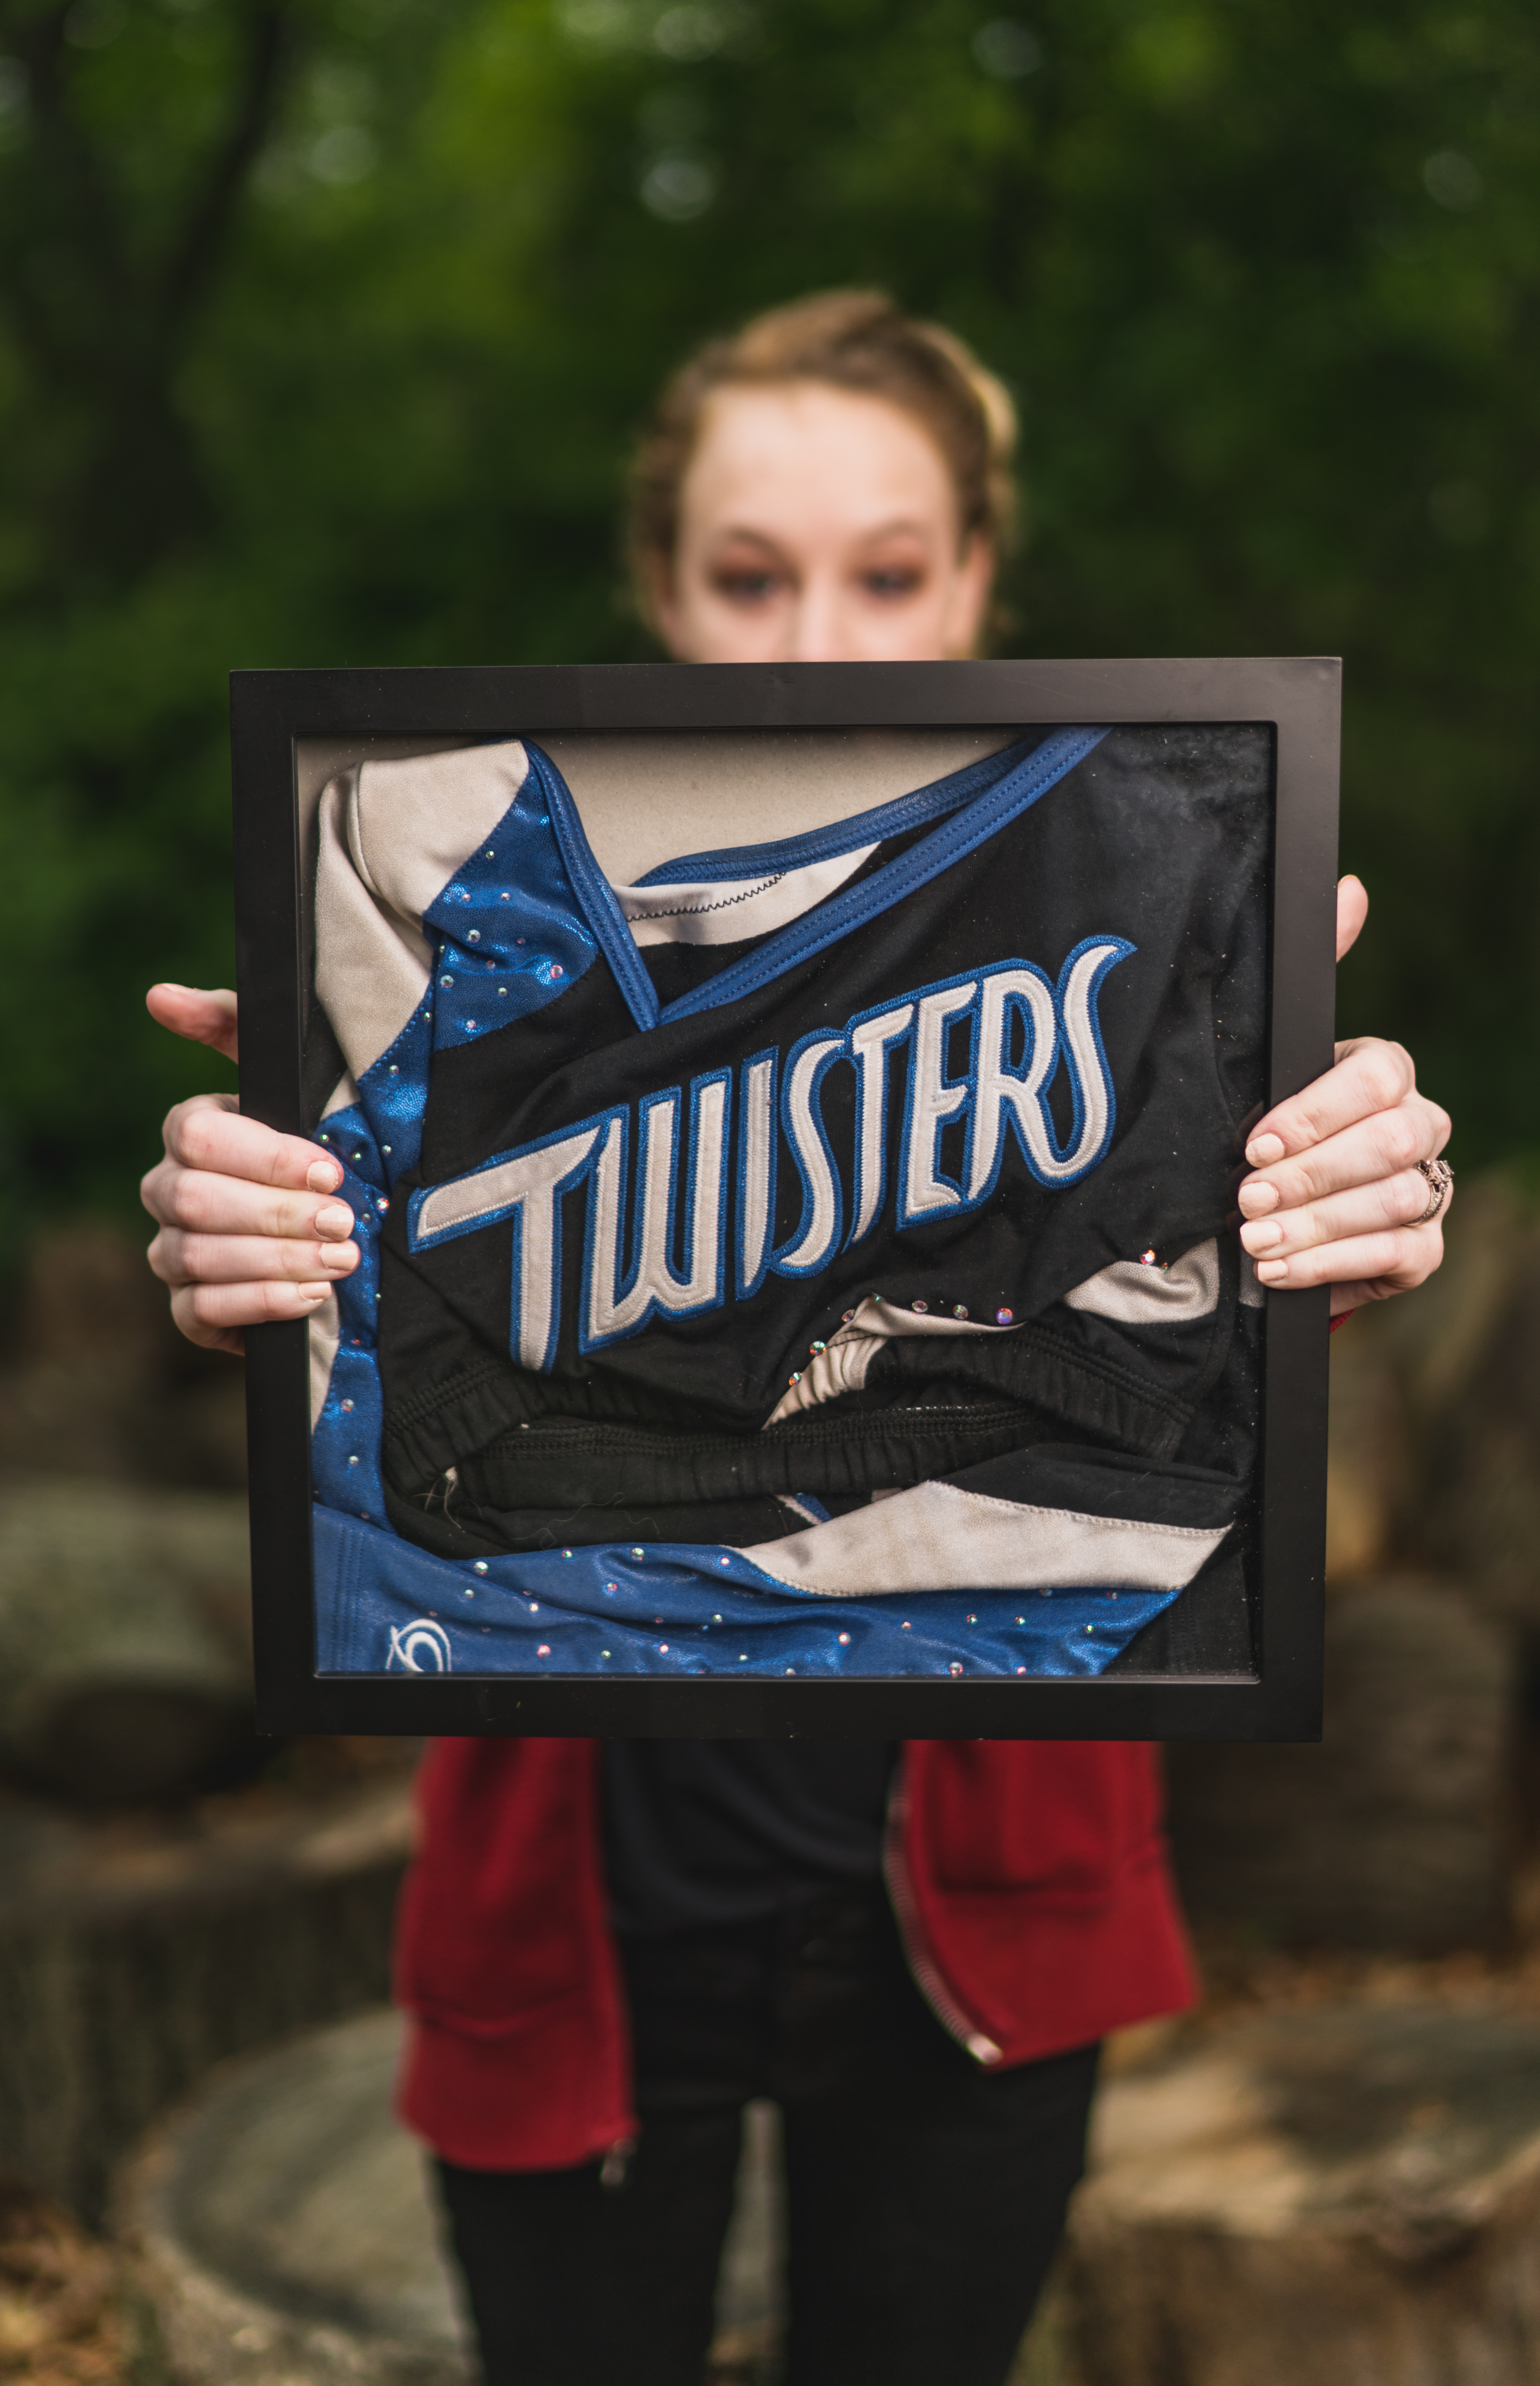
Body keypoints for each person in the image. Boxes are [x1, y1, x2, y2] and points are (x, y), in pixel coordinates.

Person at [140, 293, 1452, 2386]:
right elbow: (371, 1377)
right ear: (659, 590)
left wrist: (1339, 1203)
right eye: (751, 575)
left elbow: (1208, 1358)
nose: (814, 629)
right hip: (569, 1941)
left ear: (981, 584)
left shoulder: (1141, 922)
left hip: (986, 1935)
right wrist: (269, 1243)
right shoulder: (462, 950)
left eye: (885, 567)